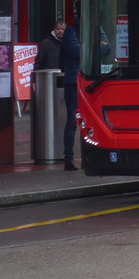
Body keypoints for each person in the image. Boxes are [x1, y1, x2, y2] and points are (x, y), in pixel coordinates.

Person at [61, 19, 81, 171]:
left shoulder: (97, 29)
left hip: (88, 80)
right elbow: (75, 51)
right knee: (72, 121)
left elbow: (108, 47)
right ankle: (68, 158)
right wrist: (95, 47)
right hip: (74, 81)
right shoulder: (71, 31)